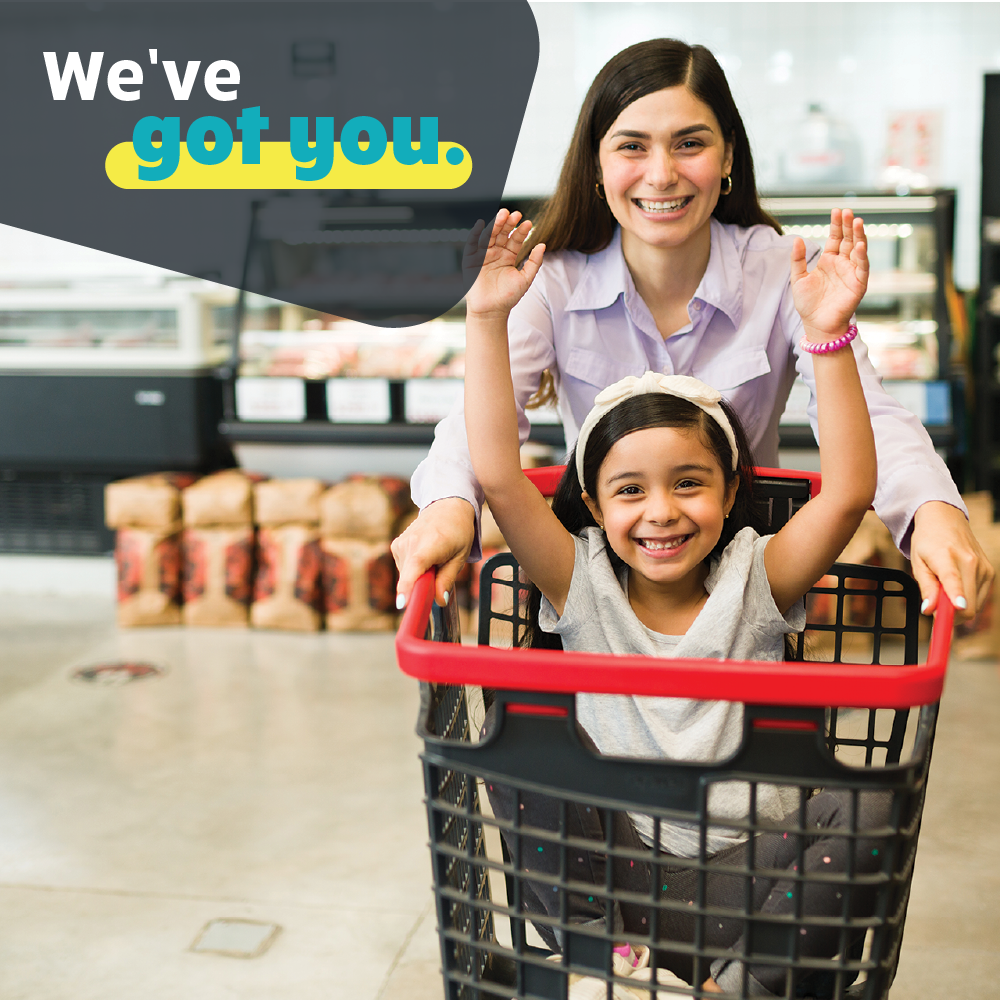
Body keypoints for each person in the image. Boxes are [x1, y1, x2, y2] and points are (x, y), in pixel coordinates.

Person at [393, 38, 992, 621]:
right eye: (632, 146)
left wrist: (933, 510)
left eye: (689, 144)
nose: (661, 174)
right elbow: (481, 432)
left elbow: (871, 417)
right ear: (596, 163)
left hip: (752, 585)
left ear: (727, 156)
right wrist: (447, 508)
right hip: (599, 583)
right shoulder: (548, 282)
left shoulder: (781, 270)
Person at [462, 204, 886, 996]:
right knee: (515, 755)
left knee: (863, 810)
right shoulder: (581, 581)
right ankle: (612, 971)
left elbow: (851, 491)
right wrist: (487, 319)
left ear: (729, 497)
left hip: (752, 884)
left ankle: (736, 990)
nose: (660, 512)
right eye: (629, 491)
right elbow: (495, 475)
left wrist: (827, 336)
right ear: (593, 503)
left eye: (689, 483)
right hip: (616, 880)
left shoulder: (755, 580)